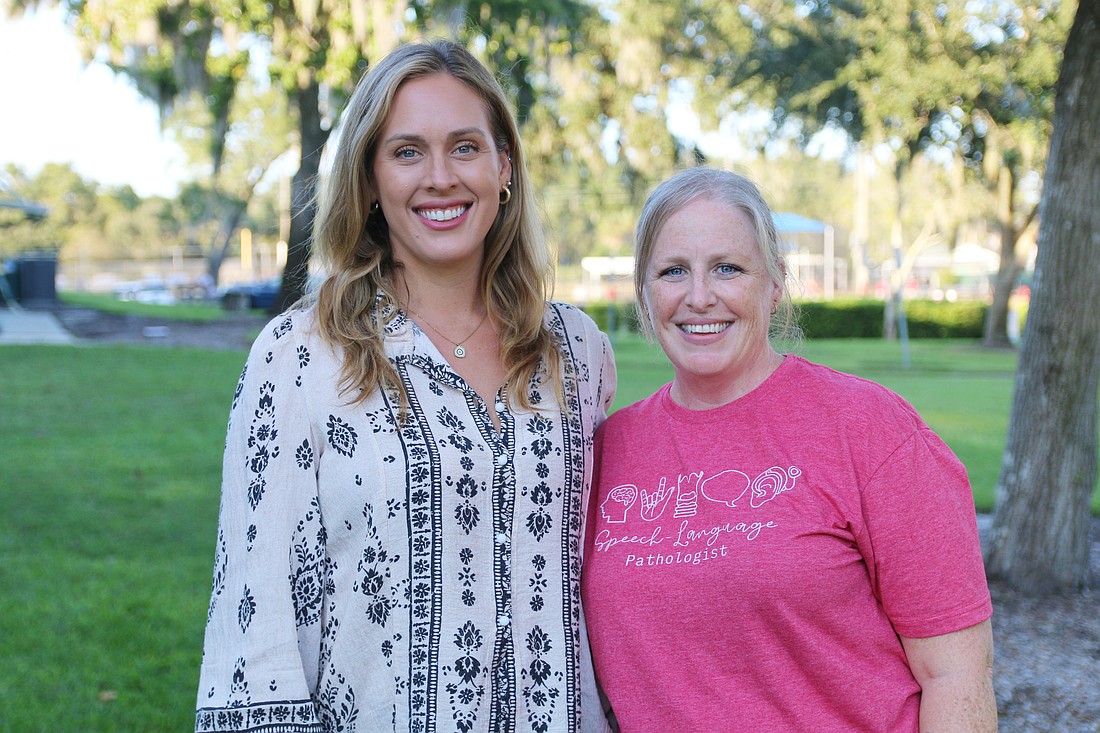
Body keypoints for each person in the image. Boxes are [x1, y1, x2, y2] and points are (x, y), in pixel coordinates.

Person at [196, 40, 616, 733]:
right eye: (407, 151)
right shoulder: (300, 354)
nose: (440, 177)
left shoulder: (577, 349)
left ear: (503, 166)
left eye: (465, 147)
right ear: (368, 178)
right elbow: (257, 614)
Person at [581, 167, 995, 732]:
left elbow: (956, 678)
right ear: (645, 294)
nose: (699, 297)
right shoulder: (605, 452)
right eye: (673, 271)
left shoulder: (870, 430)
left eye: (728, 268)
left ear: (774, 284)